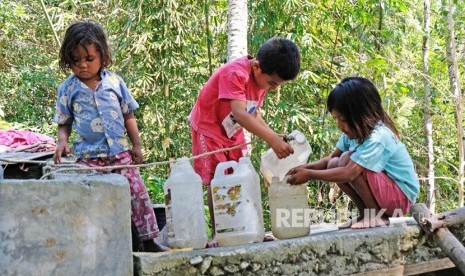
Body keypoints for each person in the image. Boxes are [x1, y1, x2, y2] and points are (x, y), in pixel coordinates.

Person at [52, 20, 167, 252]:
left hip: (120, 154)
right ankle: (98, 247)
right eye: (76, 61)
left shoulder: (115, 82)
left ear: (102, 55)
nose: (82, 65)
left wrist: (137, 145)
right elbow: (64, 123)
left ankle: (149, 242)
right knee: (92, 201)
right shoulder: (68, 89)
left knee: (138, 195)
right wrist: (62, 141)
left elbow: (129, 116)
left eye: (89, 59)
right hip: (88, 159)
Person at [189, 37, 301, 246]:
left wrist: (274, 136)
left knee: (240, 174)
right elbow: (240, 113)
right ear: (257, 67)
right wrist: (272, 141)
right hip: (209, 128)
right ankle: (219, 233)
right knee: (218, 178)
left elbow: (252, 112)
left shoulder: (261, 82)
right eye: (273, 83)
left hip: (232, 131)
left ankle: (246, 228)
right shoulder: (236, 73)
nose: (274, 89)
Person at [286, 77, 420, 229]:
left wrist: (310, 175)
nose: (339, 126)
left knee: (345, 160)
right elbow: (330, 159)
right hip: (387, 193)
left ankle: (376, 215)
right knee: (334, 163)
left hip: (399, 197)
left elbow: (348, 173)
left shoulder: (379, 137)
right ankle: (366, 213)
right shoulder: (353, 134)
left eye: (342, 119)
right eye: (336, 119)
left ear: (361, 115)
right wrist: (303, 168)